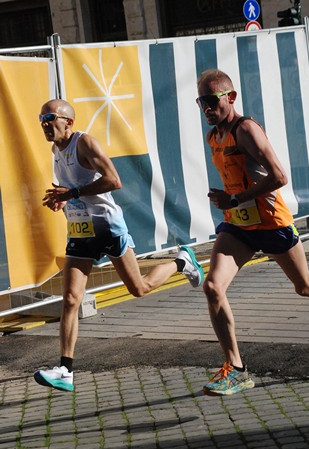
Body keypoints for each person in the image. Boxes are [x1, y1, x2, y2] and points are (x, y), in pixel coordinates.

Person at [196, 69, 309, 396]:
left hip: (272, 222)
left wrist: (236, 197)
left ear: (230, 98)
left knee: (305, 287)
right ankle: (236, 368)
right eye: (200, 101)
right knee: (212, 286)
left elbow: (279, 176)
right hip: (238, 224)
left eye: (211, 100)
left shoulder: (245, 130)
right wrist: (231, 203)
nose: (206, 107)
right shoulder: (213, 136)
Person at [34, 99, 204, 392]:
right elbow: (73, 188)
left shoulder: (84, 143)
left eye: (50, 117)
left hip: (108, 226)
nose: (45, 124)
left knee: (138, 288)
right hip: (80, 230)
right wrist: (64, 198)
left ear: (68, 121)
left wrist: (73, 191)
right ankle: (65, 369)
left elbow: (114, 181)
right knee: (71, 298)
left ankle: (182, 261)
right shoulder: (55, 150)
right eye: (41, 119)